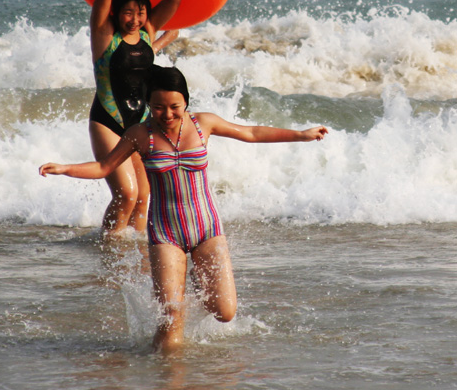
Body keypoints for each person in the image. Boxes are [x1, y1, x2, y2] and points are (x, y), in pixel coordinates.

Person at [40, 66, 328, 352]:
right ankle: (163, 373)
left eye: (174, 107)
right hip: (166, 234)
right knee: (171, 323)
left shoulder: (204, 124)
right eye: (158, 107)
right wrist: (66, 168)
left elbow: (251, 132)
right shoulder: (140, 134)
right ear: (149, 105)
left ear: (186, 102)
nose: (167, 115)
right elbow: (104, 166)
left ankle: (195, 278)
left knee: (224, 312)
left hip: (207, 229)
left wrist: (300, 135)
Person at [88, 0, 181, 236]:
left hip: (140, 123)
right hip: (107, 121)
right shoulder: (104, 34)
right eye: (128, 13)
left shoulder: (147, 32)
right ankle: (109, 249)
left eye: (140, 12)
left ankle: (132, 254)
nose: (135, 19)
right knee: (126, 194)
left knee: (143, 197)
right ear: (116, 13)